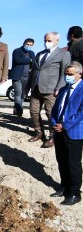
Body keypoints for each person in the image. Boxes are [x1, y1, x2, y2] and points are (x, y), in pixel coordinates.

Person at [26, 32, 71, 148]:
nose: (47, 43)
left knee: (51, 113)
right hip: (36, 88)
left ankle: (52, 136)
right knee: (34, 112)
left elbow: (64, 73)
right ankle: (39, 133)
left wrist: (59, 88)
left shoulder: (64, 54)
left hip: (51, 89)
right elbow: (33, 72)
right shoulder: (40, 54)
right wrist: (27, 88)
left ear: (57, 41)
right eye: (45, 40)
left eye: (49, 41)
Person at [49, 61, 83, 205]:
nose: (67, 77)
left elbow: (81, 112)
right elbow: (55, 109)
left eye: (70, 74)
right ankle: (64, 186)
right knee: (61, 160)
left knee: (73, 163)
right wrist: (54, 122)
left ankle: (74, 193)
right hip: (59, 130)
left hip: (73, 131)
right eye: (65, 74)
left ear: (79, 74)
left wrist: (65, 125)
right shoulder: (63, 89)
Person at [10, 38, 35, 117]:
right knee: (18, 93)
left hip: (27, 76)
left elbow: (34, 62)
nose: (28, 46)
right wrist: (29, 60)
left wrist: (31, 61)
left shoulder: (32, 53)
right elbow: (18, 60)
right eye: (27, 44)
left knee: (23, 95)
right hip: (17, 76)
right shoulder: (17, 51)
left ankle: (17, 108)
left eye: (30, 45)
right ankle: (19, 110)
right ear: (24, 43)